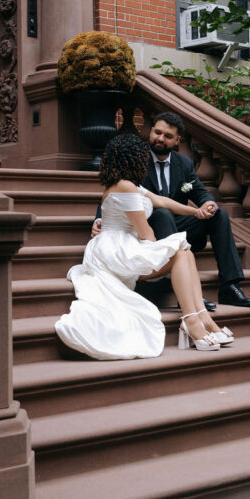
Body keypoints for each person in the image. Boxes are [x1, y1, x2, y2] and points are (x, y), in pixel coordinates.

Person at [55, 134, 234, 360]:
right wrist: (158, 255)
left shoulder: (129, 184)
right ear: (133, 158)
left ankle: (202, 318)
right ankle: (190, 321)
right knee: (179, 253)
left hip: (122, 243)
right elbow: (145, 233)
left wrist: (195, 211)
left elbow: (162, 201)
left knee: (183, 252)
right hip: (114, 250)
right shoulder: (124, 186)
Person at [92, 112, 250, 309]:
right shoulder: (135, 156)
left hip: (176, 224)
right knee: (162, 213)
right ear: (151, 131)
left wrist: (207, 205)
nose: (160, 138)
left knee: (219, 214)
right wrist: (99, 220)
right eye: (157, 132)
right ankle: (185, 291)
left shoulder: (184, 163)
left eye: (168, 136)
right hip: (147, 226)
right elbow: (114, 193)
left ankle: (230, 286)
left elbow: (199, 192)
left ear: (178, 140)